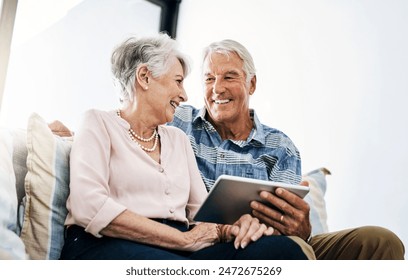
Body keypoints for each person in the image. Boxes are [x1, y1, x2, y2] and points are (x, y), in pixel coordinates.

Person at [59, 33, 313, 260]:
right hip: (110, 242)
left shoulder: (176, 137)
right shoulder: (97, 122)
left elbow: (201, 214)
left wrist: (235, 228)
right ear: (145, 77)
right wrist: (183, 239)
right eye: (178, 81)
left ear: (251, 84)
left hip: (177, 249)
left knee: (284, 252)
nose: (184, 95)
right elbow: (88, 205)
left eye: (229, 76)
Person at [168, 39, 405, 260]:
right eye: (209, 79)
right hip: (202, 242)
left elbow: (287, 226)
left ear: (251, 84)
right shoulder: (177, 120)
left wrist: (299, 228)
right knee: (292, 250)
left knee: (380, 241)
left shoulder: (281, 147)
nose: (217, 89)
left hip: (261, 243)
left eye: (229, 77)